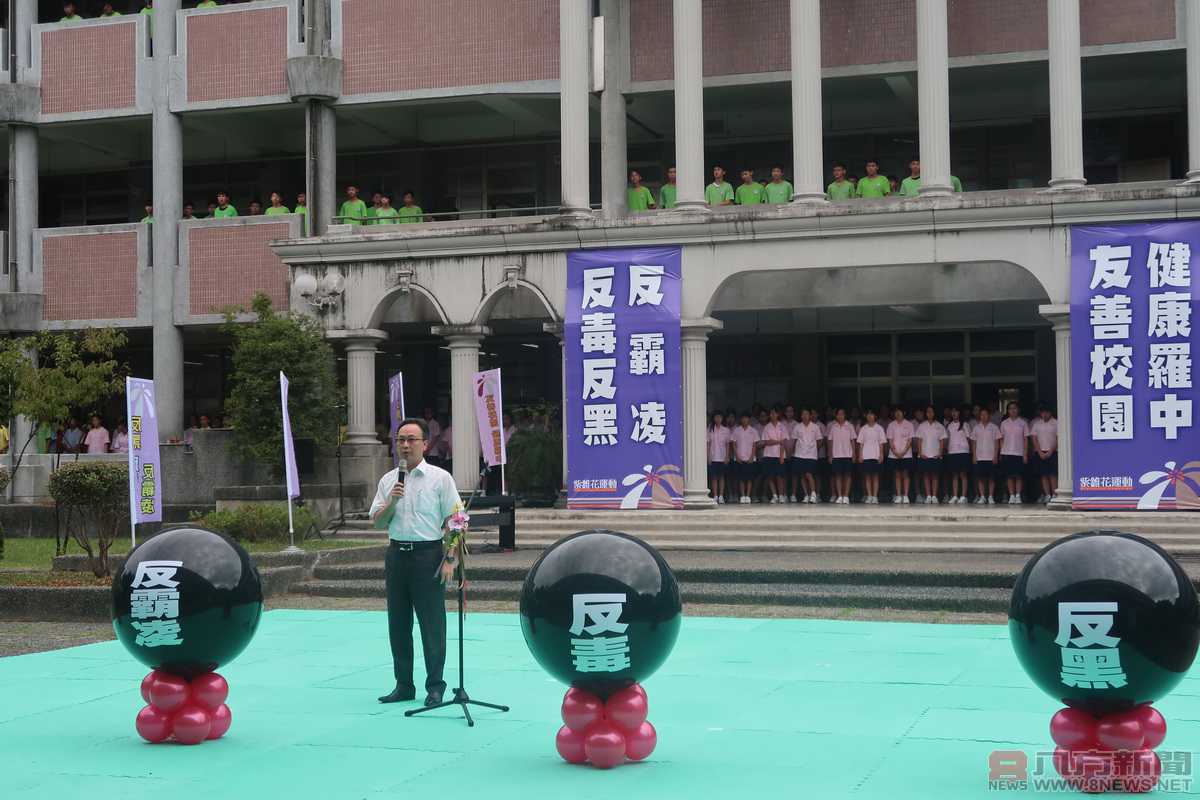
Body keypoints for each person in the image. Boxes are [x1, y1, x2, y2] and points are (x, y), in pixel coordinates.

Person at [370, 418, 463, 707]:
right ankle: (403, 685)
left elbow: (457, 520)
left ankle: (435, 687)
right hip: (397, 555)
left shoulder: (440, 478)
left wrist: (450, 559)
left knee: (432, 624)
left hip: (429, 556)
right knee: (398, 623)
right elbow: (377, 522)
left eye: (412, 439)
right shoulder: (388, 481)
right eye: (401, 440)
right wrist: (392, 502)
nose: (405, 445)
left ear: (425, 443)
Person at [915, 404, 947, 504]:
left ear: (934, 413)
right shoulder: (922, 426)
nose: (929, 413)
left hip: (935, 455)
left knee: (935, 476)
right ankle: (928, 495)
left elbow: (942, 441)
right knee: (926, 475)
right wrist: (920, 453)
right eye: (928, 411)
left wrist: (940, 453)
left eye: (931, 411)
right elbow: (919, 440)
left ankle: (934, 496)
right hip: (924, 454)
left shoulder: (939, 426)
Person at [1000, 402, 1030, 504]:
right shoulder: (1004, 423)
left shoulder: (1023, 423)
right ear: (1007, 411)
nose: (1013, 410)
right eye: (1010, 409)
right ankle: (1011, 495)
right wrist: (1001, 452)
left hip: (1019, 453)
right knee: (1009, 475)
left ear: (1018, 410)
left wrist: (1025, 454)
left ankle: (1018, 495)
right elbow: (1002, 439)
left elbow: (1026, 439)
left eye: (1015, 408)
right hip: (1007, 452)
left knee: (1018, 475)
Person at [970, 407, 1002, 505]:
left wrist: (996, 455)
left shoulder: (994, 427)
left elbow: (997, 442)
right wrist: (974, 455)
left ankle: (991, 496)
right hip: (980, 457)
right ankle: (982, 496)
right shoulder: (976, 427)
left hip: (991, 456)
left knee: (991, 478)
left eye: (985, 414)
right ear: (980, 416)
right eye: (982, 414)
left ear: (989, 416)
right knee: (980, 478)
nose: (983, 416)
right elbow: (973, 443)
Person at [790, 408, 822, 504]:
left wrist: (814, 449)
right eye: (803, 414)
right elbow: (794, 441)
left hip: (811, 455)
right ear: (801, 416)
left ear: (810, 416)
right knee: (802, 475)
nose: (805, 416)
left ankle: (813, 494)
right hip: (799, 454)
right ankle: (806, 495)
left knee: (809, 474)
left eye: (807, 414)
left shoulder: (815, 427)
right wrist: (792, 452)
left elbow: (819, 441)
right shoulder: (797, 427)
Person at [855, 409, 887, 504]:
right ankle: (869, 495)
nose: (870, 417)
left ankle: (875, 496)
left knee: (875, 476)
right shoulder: (863, 428)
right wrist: (860, 455)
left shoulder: (879, 428)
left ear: (875, 416)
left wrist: (881, 454)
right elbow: (860, 443)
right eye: (868, 415)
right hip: (866, 455)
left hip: (876, 455)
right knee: (867, 476)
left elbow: (881, 443)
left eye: (872, 415)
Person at [826, 408, 856, 504]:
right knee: (837, 475)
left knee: (847, 475)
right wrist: (830, 455)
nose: (840, 416)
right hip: (836, 454)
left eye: (842, 414)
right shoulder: (833, 427)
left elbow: (853, 441)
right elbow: (830, 441)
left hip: (847, 454)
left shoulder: (850, 426)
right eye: (838, 414)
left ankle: (846, 496)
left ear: (845, 415)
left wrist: (854, 454)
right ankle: (839, 496)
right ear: (836, 415)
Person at [1031, 405, 1059, 505]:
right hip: (1040, 452)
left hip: (1053, 451)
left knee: (1052, 474)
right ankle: (1047, 495)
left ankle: (1055, 494)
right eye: (1042, 412)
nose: (1044, 414)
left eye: (1046, 412)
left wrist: (1051, 451)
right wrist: (1039, 452)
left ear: (1050, 413)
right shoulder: (1037, 424)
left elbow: (1058, 438)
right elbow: (1034, 438)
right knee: (1043, 474)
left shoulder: (1056, 423)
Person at [886, 407, 914, 504]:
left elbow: (910, 440)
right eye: (896, 412)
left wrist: (903, 452)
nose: (898, 414)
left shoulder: (909, 424)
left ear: (904, 412)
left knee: (906, 475)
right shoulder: (891, 425)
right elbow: (890, 439)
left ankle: (905, 495)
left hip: (906, 454)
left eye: (900, 412)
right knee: (897, 475)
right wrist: (895, 452)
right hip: (894, 455)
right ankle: (898, 495)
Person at [759, 408, 787, 503]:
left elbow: (784, 442)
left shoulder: (782, 426)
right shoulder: (767, 427)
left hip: (779, 454)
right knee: (770, 476)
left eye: (774, 413)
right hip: (768, 455)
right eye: (771, 414)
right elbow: (766, 442)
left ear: (778, 415)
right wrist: (778, 441)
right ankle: (774, 495)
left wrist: (781, 456)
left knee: (780, 476)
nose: (773, 415)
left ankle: (781, 495)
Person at [944, 406, 971, 504]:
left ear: (960, 413)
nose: (954, 413)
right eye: (952, 411)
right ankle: (955, 495)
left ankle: (963, 496)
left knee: (963, 474)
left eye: (956, 411)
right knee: (954, 475)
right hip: (952, 452)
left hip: (963, 452)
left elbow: (968, 439)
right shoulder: (949, 425)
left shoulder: (965, 425)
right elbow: (947, 440)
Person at [731, 412, 759, 504]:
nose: (745, 420)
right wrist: (737, 456)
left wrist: (752, 456)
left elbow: (755, 445)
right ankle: (742, 495)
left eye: (746, 418)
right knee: (741, 478)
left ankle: (748, 495)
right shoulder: (737, 430)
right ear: (741, 420)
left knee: (749, 478)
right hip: (739, 458)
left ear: (749, 420)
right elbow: (733, 444)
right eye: (743, 418)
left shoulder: (753, 431)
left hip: (750, 458)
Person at [707, 412, 731, 504]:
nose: (718, 419)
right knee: (713, 477)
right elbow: (708, 444)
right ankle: (715, 495)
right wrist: (708, 456)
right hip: (713, 457)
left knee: (721, 476)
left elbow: (728, 445)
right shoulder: (710, 430)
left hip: (722, 456)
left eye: (720, 417)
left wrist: (727, 456)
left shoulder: (726, 430)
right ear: (714, 418)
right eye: (716, 417)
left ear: (722, 418)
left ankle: (721, 496)